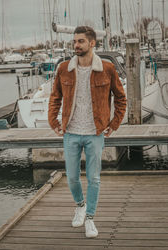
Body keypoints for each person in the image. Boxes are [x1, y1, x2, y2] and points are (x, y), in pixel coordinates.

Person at [48, 26, 126, 238]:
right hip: (71, 132)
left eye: (81, 41)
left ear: (92, 43)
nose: (76, 45)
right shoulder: (64, 68)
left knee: (94, 178)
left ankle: (90, 218)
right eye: (75, 41)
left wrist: (114, 123)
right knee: (72, 177)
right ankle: (80, 205)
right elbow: (55, 96)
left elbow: (121, 98)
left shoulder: (107, 68)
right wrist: (52, 121)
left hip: (95, 132)